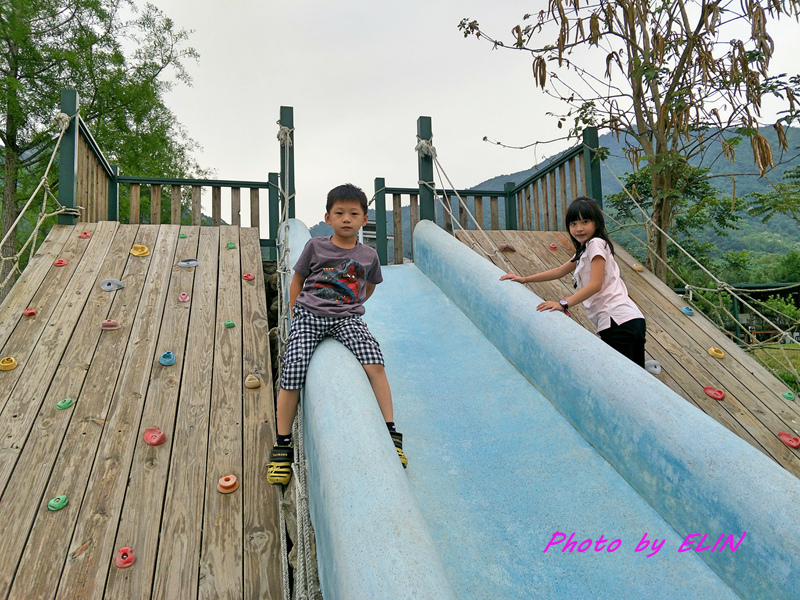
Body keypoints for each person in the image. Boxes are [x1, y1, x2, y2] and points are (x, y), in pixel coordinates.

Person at [267, 183, 407, 485]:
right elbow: (298, 280)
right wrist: (295, 311)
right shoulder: (316, 247)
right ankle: (282, 444)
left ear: (364, 219)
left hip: (346, 319)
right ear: (327, 218)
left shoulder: (368, 254)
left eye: (353, 213)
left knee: (375, 363)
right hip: (310, 315)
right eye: (339, 213)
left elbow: (369, 286)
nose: (347, 218)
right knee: (293, 373)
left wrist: (353, 306)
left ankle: (391, 431)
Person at [500, 196, 647, 367]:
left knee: (625, 379)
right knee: (637, 376)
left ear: (597, 223)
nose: (579, 228)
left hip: (616, 320)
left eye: (585, 221)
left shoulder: (596, 244)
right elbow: (558, 271)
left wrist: (564, 303)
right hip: (629, 319)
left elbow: (595, 284)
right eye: (573, 223)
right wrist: (524, 279)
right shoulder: (585, 250)